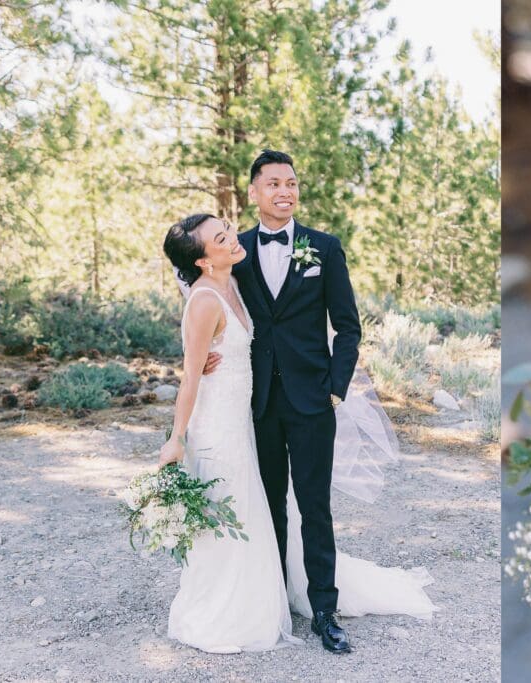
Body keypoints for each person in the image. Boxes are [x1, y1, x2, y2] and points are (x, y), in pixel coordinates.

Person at [159, 149, 436, 656]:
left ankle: (324, 611)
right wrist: (203, 360)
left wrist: (335, 385)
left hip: (313, 401)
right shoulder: (234, 250)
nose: (284, 191)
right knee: (268, 508)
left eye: (291, 182)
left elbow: (348, 326)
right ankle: (275, 600)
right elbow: (204, 301)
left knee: (315, 509)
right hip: (255, 406)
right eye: (273, 184)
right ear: (255, 192)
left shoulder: (324, 249)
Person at [160, 214, 299, 653]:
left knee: (247, 510)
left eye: (228, 228)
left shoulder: (231, 282)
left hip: (241, 421)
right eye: (221, 238)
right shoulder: (204, 300)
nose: (233, 238)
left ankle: (253, 601)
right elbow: (189, 379)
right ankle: (223, 613)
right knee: (225, 515)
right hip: (216, 425)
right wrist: (175, 439)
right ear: (202, 260)